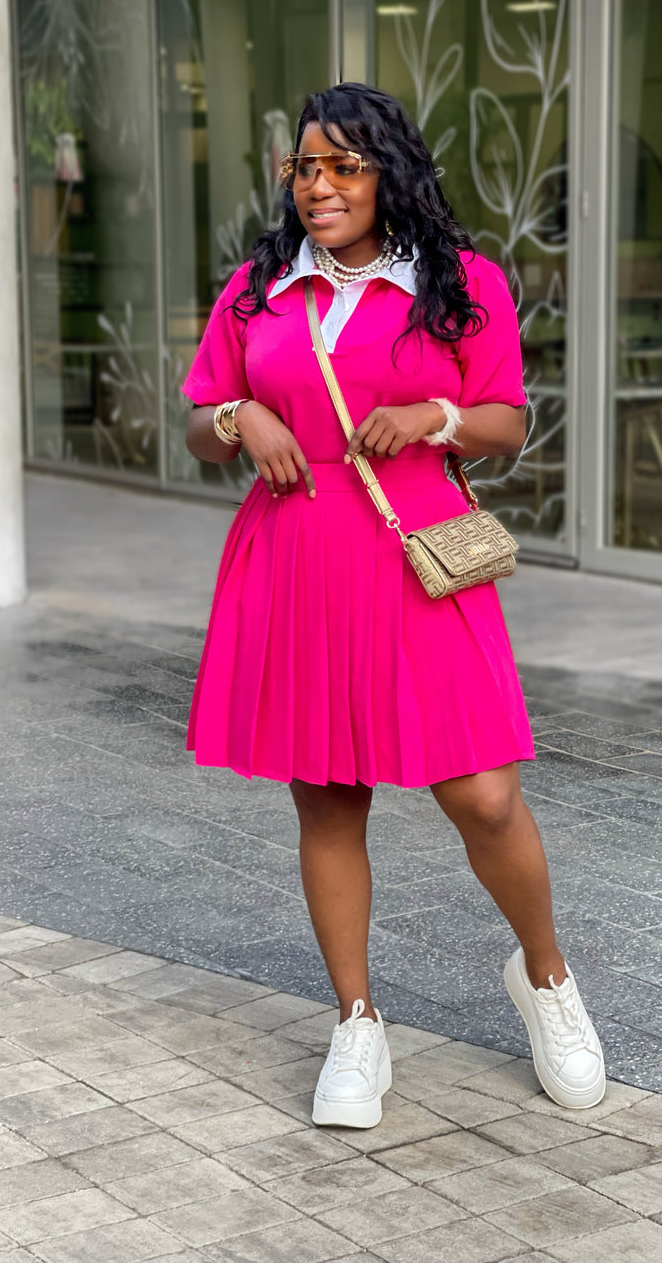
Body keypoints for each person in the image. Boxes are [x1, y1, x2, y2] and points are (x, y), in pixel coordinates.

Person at [183, 82, 604, 1129]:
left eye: (341, 167)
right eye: (303, 169)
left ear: (388, 172)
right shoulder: (258, 289)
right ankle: (357, 1025)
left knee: (484, 796)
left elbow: (506, 422)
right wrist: (239, 418)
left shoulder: (459, 285)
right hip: (298, 554)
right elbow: (197, 419)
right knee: (328, 797)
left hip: (414, 551)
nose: (317, 187)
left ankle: (547, 981)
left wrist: (437, 414)